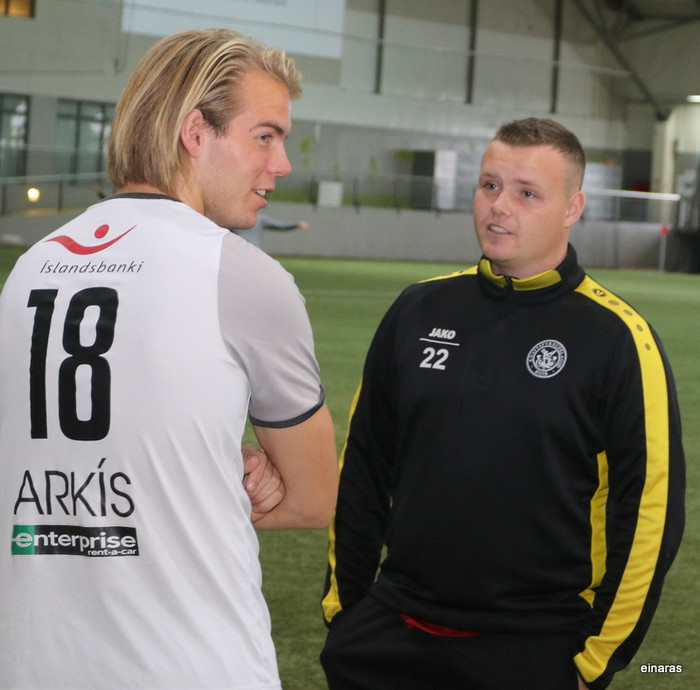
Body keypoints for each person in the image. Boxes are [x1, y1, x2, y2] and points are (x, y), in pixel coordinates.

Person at [0, 28, 338, 690]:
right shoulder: (239, 275)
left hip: (35, 662)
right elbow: (312, 499)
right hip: (190, 665)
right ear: (195, 132)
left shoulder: (30, 269)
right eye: (264, 136)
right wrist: (226, 475)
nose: (281, 164)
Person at [321, 118, 684, 690]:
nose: (499, 206)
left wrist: (594, 662)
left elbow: (649, 513)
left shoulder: (617, 339)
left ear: (572, 208)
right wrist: (346, 615)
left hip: (533, 646)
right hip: (389, 635)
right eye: (489, 185)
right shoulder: (417, 310)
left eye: (527, 193)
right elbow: (363, 468)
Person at [232, 211, 309, 248]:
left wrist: (296, 224)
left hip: (237, 248)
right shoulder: (260, 218)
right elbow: (280, 226)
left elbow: (280, 226)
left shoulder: (233, 218)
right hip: (253, 249)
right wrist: (297, 224)